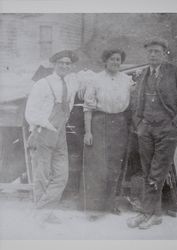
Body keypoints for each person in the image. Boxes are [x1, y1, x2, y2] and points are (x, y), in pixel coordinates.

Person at [127, 38, 177, 229]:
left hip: (167, 130)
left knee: (157, 173)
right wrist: (139, 124)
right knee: (148, 170)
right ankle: (152, 213)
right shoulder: (144, 75)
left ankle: (149, 213)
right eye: (150, 52)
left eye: (157, 51)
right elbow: (135, 102)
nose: (153, 55)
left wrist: (176, 124)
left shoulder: (175, 72)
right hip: (146, 130)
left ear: (165, 53)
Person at [25, 50, 85, 223]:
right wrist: (41, 128)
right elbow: (31, 112)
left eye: (68, 63)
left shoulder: (71, 83)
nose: (65, 66)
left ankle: (41, 210)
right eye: (61, 63)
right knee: (42, 175)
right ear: (54, 64)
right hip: (42, 131)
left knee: (61, 175)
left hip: (60, 134)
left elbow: (86, 79)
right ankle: (44, 213)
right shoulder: (42, 84)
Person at [81, 49, 135, 220]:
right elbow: (88, 108)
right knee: (98, 166)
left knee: (115, 166)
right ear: (105, 61)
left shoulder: (127, 80)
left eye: (118, 59)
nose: (115, 62)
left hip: (119, 124)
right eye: (112, 59)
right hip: (99, 123)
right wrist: (88, 132)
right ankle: (94, 209)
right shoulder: (95, 80)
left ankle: (110, 204)